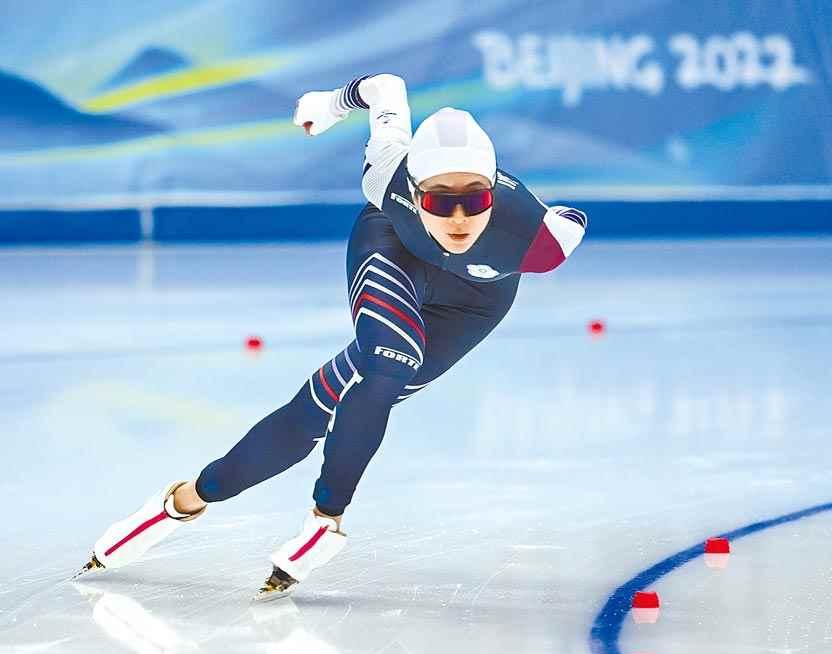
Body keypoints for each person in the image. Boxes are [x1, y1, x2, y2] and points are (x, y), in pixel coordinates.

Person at [78, 73, 588, 600]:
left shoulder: (543, 240)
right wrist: (330, 104)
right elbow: (385, 88)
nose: (458, 219)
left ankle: (220, 504)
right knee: (385, 366)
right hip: (394, 253)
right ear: (415, 193)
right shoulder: (387, 172)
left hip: (472, 305)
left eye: (475, 201)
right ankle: (226, 511)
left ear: (493, 196)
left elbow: (571, 218)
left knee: (322, 406)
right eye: (440, 202)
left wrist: (544, 211)